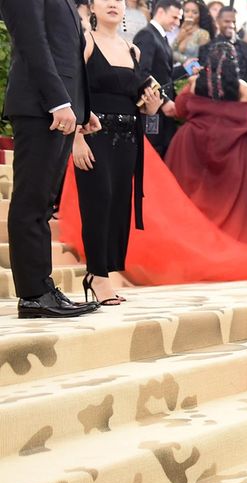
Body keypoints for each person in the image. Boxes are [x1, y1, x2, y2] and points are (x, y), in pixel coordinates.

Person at [0, 0, 102, 318]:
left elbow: (66, 51)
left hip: (59, 109)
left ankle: (41, 288)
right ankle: (33, 294)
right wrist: (58, 100)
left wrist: (82, 110)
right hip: (39, 105)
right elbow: (32, 40)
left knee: (43, 204)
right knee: (31, 201)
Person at [163, 41, 247, 264]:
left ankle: (197, 248)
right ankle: (230, 244)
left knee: (194, 199)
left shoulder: (195, 83)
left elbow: (180, 109)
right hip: (233, 149)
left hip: (193, 146)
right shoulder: (243, 87)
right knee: (233, 204)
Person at [69, 0, 163, 305]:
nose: (113, 4)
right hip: (94, 135)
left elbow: (143, 104)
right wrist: (75, 139)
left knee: (119, 205)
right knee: (99, 202)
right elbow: (72, 92)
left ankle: (104, 272)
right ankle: (97, 275)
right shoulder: (85, 42)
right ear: (91, 7)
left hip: (128, 139)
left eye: (120, 0)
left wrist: (152, 106)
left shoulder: (132, 50)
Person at [133, 0, 185, 157]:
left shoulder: (160, 37)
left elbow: (164, 74)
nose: (177, 22)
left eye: (179, 19)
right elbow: (142, 73)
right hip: (151, 108)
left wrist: (185, 69)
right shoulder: (147, 35)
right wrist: (164, 100)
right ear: (161, 12)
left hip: (162, 111)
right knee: (152, 152)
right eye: (174, 17)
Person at [199, 6, 247, 82]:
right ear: (217, 21)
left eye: (234, 22)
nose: (231, 25)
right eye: (227, 21)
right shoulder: (206, 48)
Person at [172, 0, 212, 65]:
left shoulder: (203, 34)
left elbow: (201, 60)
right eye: (186, 11)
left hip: (193, 71)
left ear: (200, 15)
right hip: (176, 72)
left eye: (195, 12)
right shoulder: (177, 29)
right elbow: (167, 54)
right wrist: (179, 37)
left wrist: (182, 59)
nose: (190, 15)